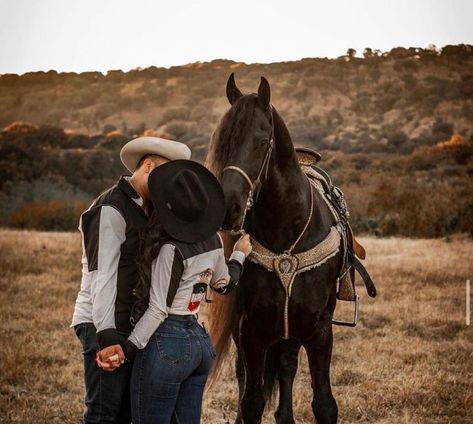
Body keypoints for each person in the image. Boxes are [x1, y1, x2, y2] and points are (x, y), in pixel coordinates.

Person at [96, 159, 252, 424]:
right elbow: (223, 283)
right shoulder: (213, 240)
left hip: (168, 343)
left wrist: (128, 350)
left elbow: (158, 310)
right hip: (199, 344)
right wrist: (238, 255)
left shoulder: (170, 250)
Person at [71, 136, 191, 424]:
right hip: (103, 322)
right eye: (166, 179)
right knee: (103, 412)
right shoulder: (110, 207)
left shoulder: (149, 210)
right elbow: (103, 275)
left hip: (131, 324)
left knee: (128, 413)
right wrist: (107, 335)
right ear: (148, 166)